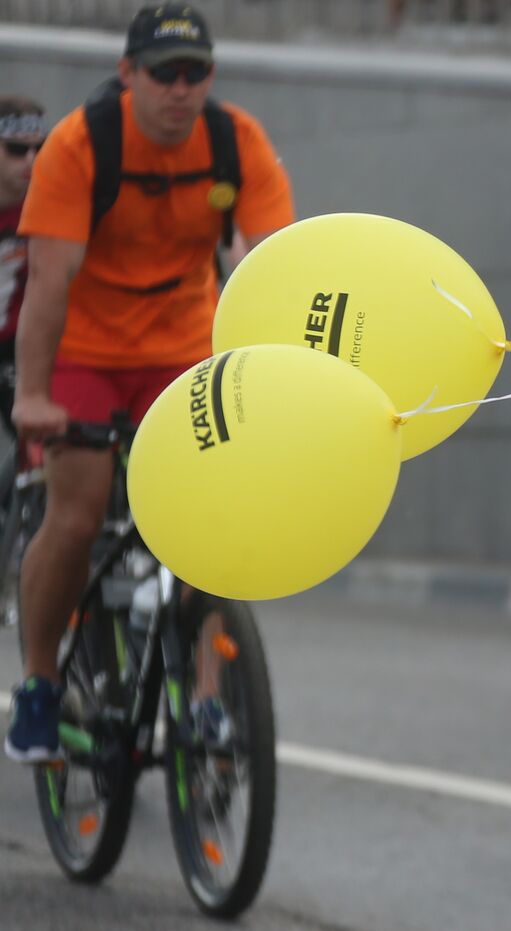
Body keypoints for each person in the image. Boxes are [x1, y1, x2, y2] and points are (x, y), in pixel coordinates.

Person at [5, 3, 294, 763]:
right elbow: (48, 283)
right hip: (85, 349)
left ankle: (202, 699)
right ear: (128, 74)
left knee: (210, 517)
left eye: (195, 73)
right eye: (164, 73)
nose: (180, 88)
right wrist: (33, 396)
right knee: (77, 512)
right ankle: (37, 684)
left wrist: (283, 376)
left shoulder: (235, 143)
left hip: (184, 346)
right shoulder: (80, 144)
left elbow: (274, 269)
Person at [0, 96, 44, 439]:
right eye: (16, 149)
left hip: (15, 343)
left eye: (38, 148)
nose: (30, 159)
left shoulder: (47, 204)